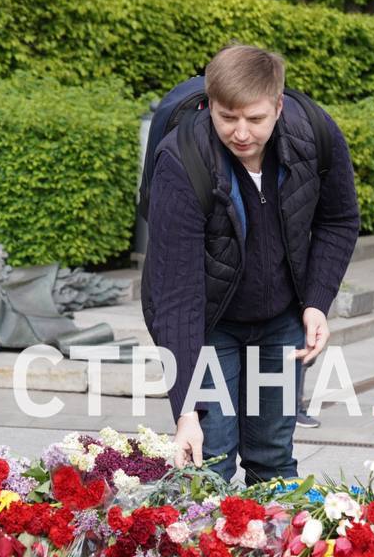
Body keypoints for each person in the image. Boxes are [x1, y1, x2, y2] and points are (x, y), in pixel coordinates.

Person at [142, 44, 359, 484]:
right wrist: (186, 412)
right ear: (210, 104)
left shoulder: (314, 133)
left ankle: (275, 530)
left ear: (278, 106)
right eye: (228, 117)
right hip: (209, 323)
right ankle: (208, 530)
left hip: (281, 318)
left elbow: (339, 219)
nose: (241, 133)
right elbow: (176, 296)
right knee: (210, 461)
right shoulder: (181, 161)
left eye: (255, 119)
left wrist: (316, 303)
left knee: (273, 457)